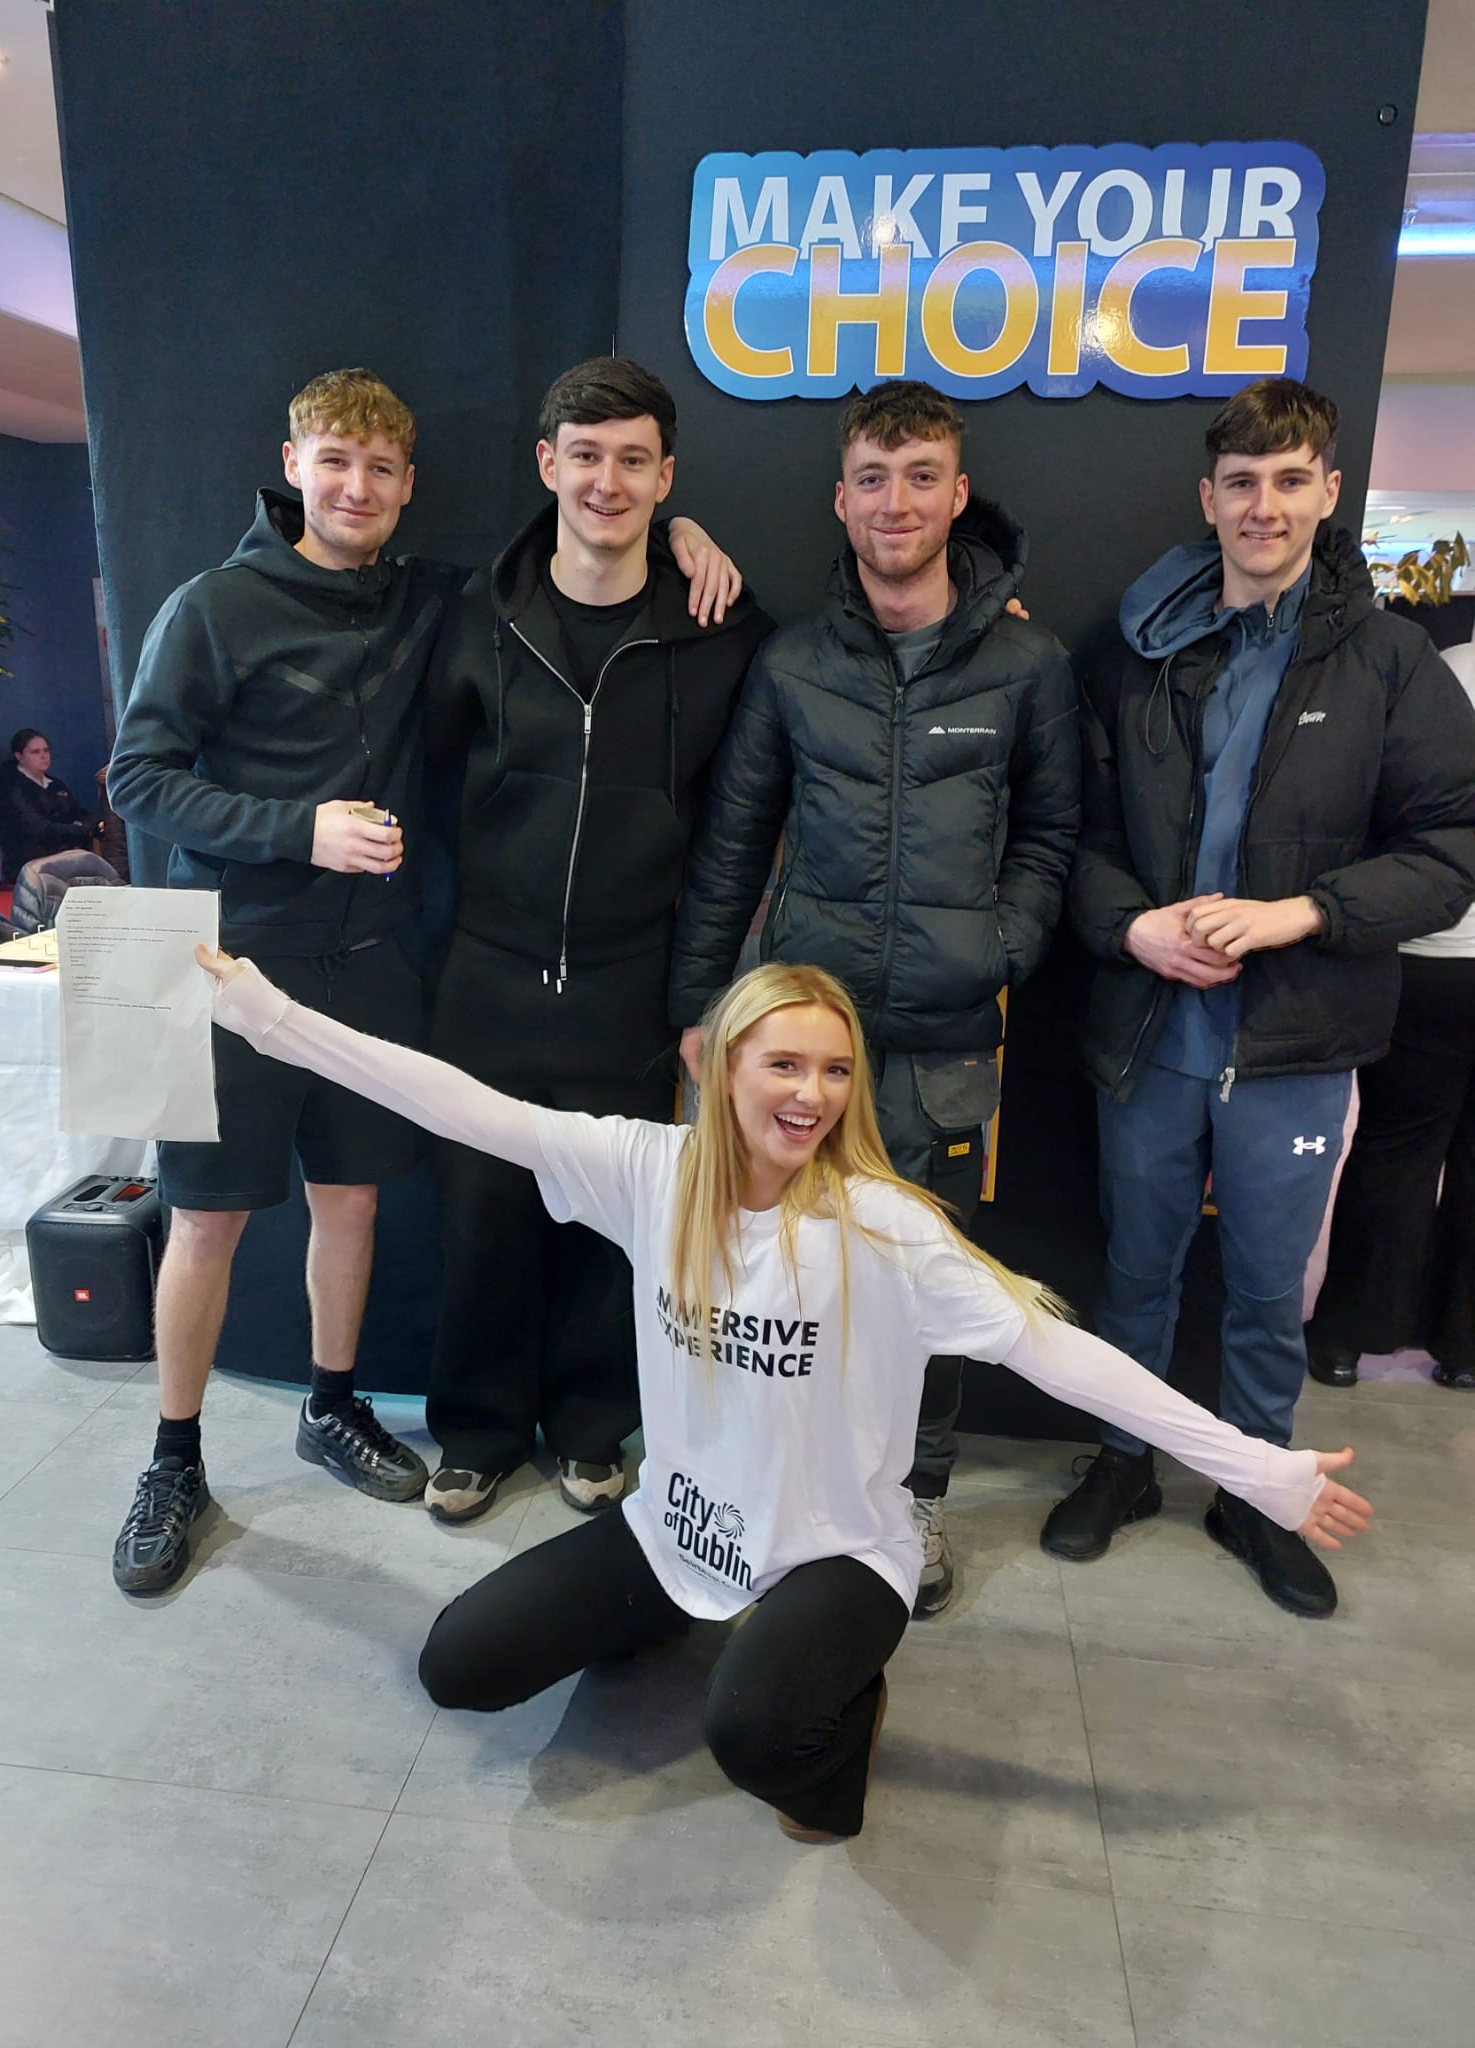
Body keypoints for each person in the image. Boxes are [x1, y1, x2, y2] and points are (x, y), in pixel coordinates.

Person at [198, 942, 1372, 1842]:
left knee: (759, 1737)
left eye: (835, 1069)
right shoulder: (649, 1171)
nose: (812, 1093)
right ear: (720, 1067)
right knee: (459, 1666)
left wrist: (1257, 1468)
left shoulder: (886, 1227)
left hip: (839, 1550)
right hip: (678, 1529)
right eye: (786, 1063)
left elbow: (1062, 1354)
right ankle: (668, 1617)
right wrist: (269, 1017)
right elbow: (458, 1102)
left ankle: (846, 1694)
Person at [105, 365, 738, 1595]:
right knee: (207, 1218)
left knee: (351, 1204)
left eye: (381, 469)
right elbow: (137, 778)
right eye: (335, 462)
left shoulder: (435, 601)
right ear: (292, 466)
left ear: (407, 487)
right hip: (226, 962)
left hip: (376, 968)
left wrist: (683, 533)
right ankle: (172, 1457)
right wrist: (299, 829)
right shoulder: (211, 606)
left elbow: (586, 545)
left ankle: (332, 1405)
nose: (357, 487)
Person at [1045, 377, 1475, 1619]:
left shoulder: (1390, 660)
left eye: (1291, 480)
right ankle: (1122, 1462)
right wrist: (1131, 925)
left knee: (1266, 1290)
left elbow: (1453, 847)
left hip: (1296, 1041)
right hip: (1150, 1033)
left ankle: (1258, 1491)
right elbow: (1073, 834)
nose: (1265, 505)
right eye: (1242, 482)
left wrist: (1305, 913)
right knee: (1135, 1271)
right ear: (1209, 496)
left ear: (1329, 491)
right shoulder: (1136, 652)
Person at [667, 379, 1078, 1616]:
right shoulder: (793, 661)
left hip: (946, 1046)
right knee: (783, 1281)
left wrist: (1000, 946)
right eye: (872, 479)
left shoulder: (1028, 663)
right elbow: (734, 843)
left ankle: (916, 1498)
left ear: (958, 495)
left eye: (920, 477)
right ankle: (775, 1489)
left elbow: (1053, 834)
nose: (895, 502)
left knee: (924, 1288)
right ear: (841, 500)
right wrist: (704, 1005)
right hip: (803, 1044)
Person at [420, 358, 772, 1527]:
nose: (606, 482)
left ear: (667, 478)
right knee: (479, 1221)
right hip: (487, 976)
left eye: (633, 460)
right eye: (585, 456)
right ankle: (474, 1432)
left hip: (631, 982)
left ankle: (588, 1424)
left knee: (610, 1226)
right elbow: (428, 781)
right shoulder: (474, 615)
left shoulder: (721, 628)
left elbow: (741, 816)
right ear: (547, 464)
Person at [1307, 637, 1475, 1394]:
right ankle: (1464, 1347)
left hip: (1432, 951)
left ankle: (1348, 1336)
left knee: (1395, 1147)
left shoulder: (1444, 672)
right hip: (1434, 951)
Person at [0, 728, 95, 881]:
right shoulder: (10, 788)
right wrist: (79, 831)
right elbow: (35, 828)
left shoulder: (55, 784)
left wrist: (88, 826)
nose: (43, 756)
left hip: (65, 856)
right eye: (35, 752)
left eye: (46, 750)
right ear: (19, 756)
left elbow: (80, 812)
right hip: (30, 865)